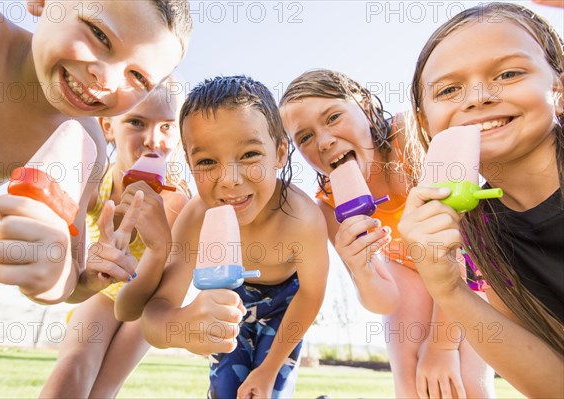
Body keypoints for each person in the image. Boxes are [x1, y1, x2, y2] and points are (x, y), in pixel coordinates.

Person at [280, 69, 494, 398]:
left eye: (333, 117)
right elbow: (383, 300)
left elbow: (457, 251)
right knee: (410, 383)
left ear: (365, 106)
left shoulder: (409, 139)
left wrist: (441, 346)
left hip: (471, 262)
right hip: (407, 266)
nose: (324, 141)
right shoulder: (328, 204)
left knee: (464, 381)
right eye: (304, 137)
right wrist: (363, 270)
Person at [0, 0, 192, 304]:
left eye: (138, 77)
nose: (107, 81)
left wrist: (66, 276)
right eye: (99, 34)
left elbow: (70, 282)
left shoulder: (86, 146)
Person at [398, 3, 564, 397]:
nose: (478, 97)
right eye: (449, 90)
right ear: (425, 121)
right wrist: (447, 288)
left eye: (509, 73)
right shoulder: (479, 231)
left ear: (558, 90)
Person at [141, 76, 330, 399]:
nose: (230, 180)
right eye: (207, 162)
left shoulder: (303, 218)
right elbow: (154, 318)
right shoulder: (196, 218)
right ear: (189, 164)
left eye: (250, 155)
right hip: (229, 301)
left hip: (288, 307)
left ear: (280, 153)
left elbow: (311, 296)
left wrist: (268, 370)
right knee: (227, 391)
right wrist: (182, 326)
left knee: (269, 392)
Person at [40, 80, 190, 398]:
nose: (153, 140)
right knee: (72, 368)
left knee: (103, 389)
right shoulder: (95, 184)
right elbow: (67, 279)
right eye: (137, 122)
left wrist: (157, 247)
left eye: (167, 127)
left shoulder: (177, 202)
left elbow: (165, 282)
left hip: (150, 297)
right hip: (100, 289)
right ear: (108, 126)